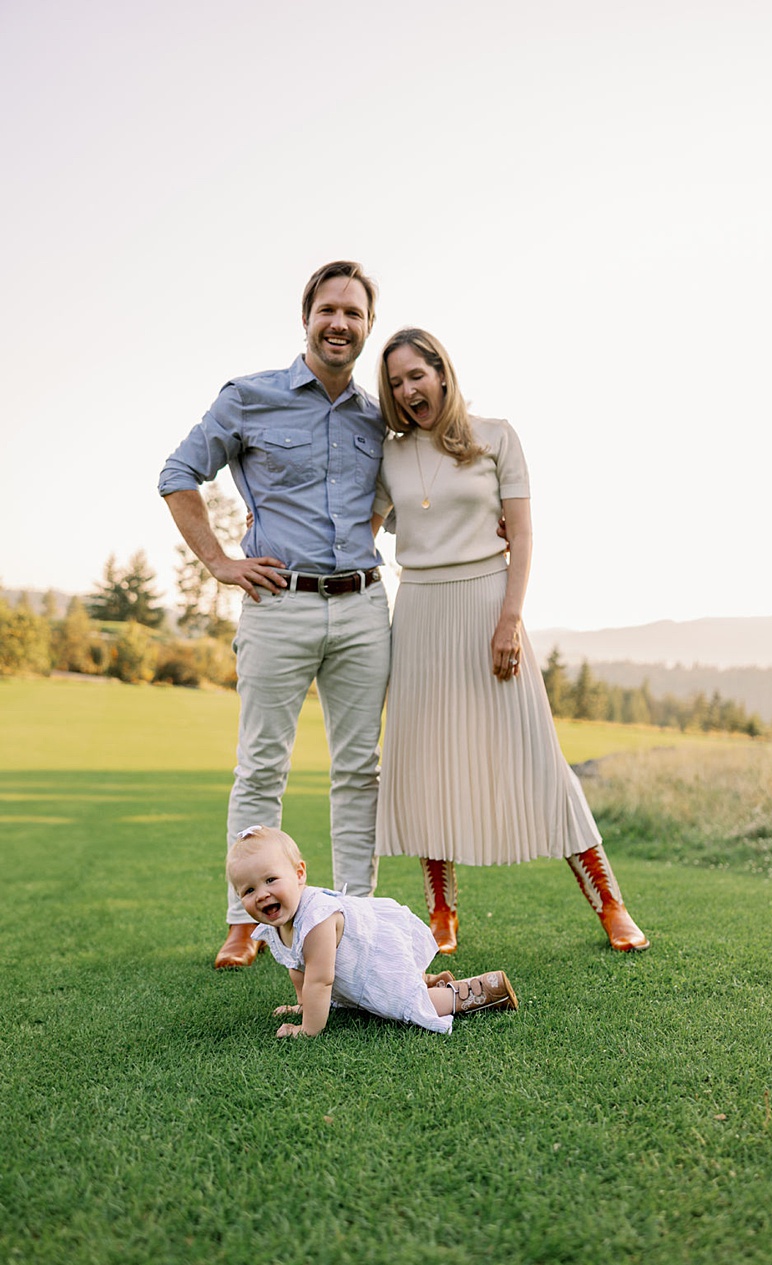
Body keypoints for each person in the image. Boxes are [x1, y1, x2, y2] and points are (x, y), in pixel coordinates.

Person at [371, 328, 648, 955]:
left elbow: (522, 536)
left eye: (416, 375)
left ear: (442, 373)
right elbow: (359, 529)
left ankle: (611, 904)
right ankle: (441, 913)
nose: (408, 390)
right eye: (395, 382)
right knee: (428, 762)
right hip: (417, 614)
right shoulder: (389, 454)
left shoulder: (497, 436)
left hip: (488, 604)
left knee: (539, 757)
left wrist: (508, 620)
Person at [160, 261, 391, 970]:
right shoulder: (249, 397)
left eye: (353, 313)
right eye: (329, 310)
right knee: (261, 766)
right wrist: (220, 562)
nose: (340, 323)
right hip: (277, 604)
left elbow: (408, 494)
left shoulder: (378, 417)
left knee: (359, 770)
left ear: (368, 327)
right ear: (307, 318)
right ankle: (246, 923)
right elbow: (177, 475)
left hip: (363, 607)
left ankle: (354, 916)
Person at [228, 826, 517, 1037]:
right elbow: (298, 968)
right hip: (365, 958)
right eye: (249, 890)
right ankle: (427, 980)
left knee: (403, 1003)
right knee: (399, 983)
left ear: (299, 874)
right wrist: (304, 1005)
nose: (262, 894)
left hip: (373, 962)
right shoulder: (278, 923)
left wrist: (308, 1028)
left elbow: (320, 980)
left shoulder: (316, 919)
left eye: (271, 880)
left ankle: (479, 990)